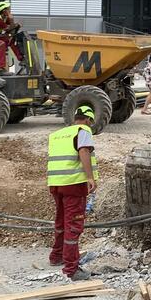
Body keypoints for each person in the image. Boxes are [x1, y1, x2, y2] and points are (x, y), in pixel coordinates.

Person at [48, 105, 98, 280]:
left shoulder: (58, 134)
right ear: (87, 120)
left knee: (61, 221)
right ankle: (71, 269)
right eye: (90, 122)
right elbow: (83, 151)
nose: (90, 125)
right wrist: (90, 177)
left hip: (56, 183)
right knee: (74, 225)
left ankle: (57, 256)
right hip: (73, 184)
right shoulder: (83, 130)